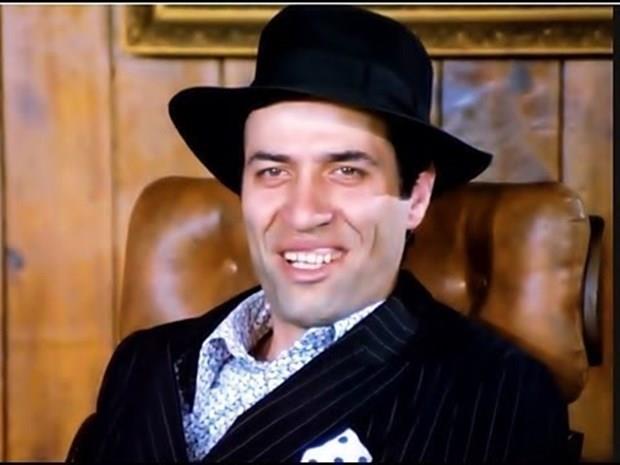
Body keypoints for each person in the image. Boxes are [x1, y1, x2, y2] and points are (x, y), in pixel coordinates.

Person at [67, 5, 569, 463]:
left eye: (346, 171)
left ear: (415, 196)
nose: (303, 213)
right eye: (273, 171)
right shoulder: (143, 361)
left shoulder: (495, 394)